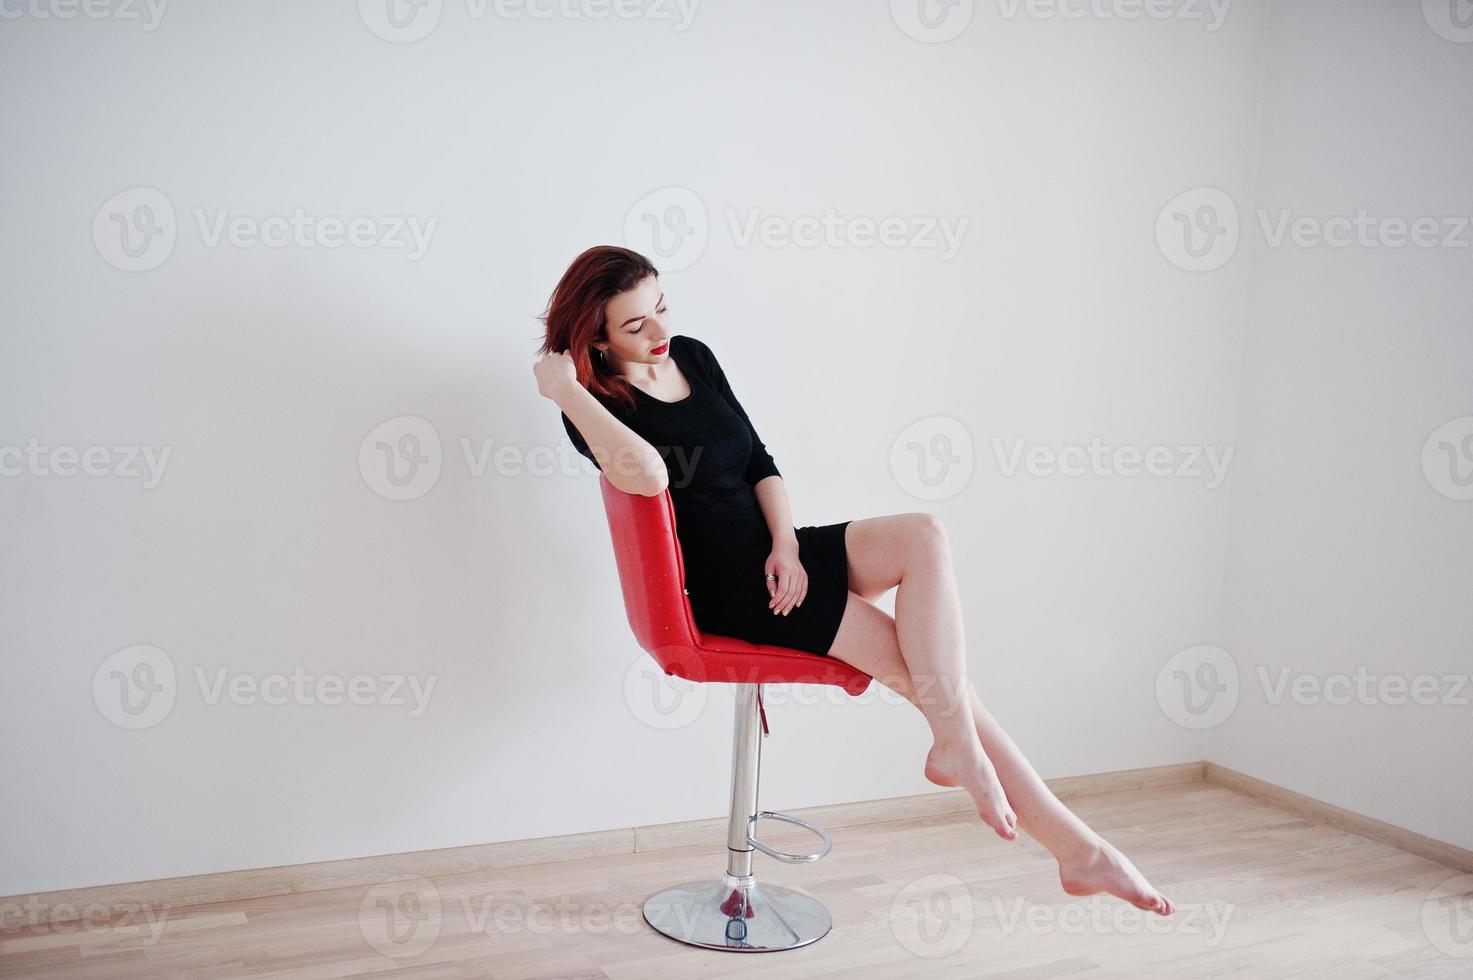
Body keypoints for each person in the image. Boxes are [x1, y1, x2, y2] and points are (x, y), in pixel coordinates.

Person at [532, 245, 1175, 915]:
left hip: (779, 557)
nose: (659, 333)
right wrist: (565, 389)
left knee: (923, 537)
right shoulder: (593, 406)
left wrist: (785, 543)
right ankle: (1073, 845)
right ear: (596, 339)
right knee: (938, 685)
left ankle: (997, 781)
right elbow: (648, 475)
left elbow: (758, 460)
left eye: (661, 308)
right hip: (742, 594)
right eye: (635, 327)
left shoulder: (691, 354)